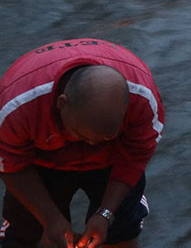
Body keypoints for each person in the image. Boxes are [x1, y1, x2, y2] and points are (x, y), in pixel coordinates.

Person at [0, 39, 164, 248]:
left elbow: (135, 157)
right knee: (28, 236)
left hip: (114, 158)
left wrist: (105, 213)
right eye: (82, 135)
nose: (90, 145)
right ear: (62, 104)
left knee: (122, 229)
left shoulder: (142, 99)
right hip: (41, 159)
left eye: (103, 138)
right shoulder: (17, 106)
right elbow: (9, 164)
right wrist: (50, 218)